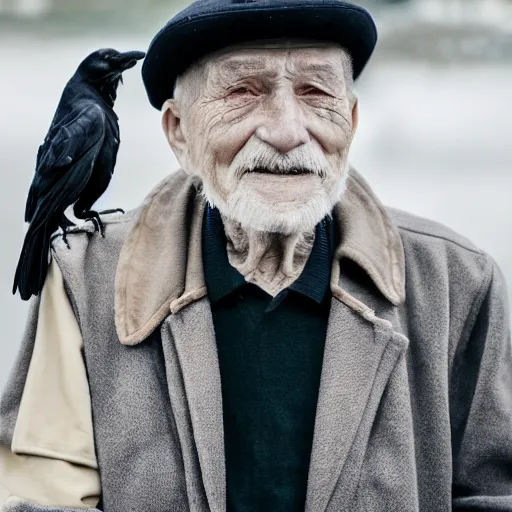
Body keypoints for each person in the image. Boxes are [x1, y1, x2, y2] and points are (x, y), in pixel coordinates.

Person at [1, 0, 511, 510]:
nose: (287, 132)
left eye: (316, 92)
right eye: (243, 91)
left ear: (351, 121)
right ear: (179, 132)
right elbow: (46, 499)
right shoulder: (85, 279)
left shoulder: (459, 284)